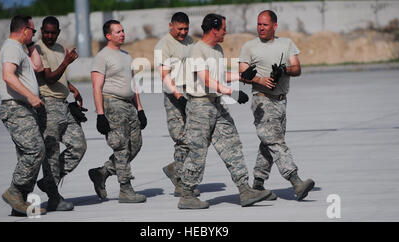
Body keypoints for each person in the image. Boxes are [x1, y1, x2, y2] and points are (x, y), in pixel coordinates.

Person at [178, 13, 271, 209]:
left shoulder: (217, 49)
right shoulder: (197, 51)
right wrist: (232, 93)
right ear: (214, 29)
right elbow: (206, 80)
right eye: (223, 28)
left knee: (232, 144)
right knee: (198, 151)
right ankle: (187, 195)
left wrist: (242, 76)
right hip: (200, 105)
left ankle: (245, 190)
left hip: (216, 103)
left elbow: (219, 76)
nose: (226, 32)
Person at [239, 10, 315, 201]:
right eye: (258, 24)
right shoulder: (249, 46)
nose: (260, 28)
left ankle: (257, 183)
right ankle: (296, 180)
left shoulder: (286, 44)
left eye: (264, 25)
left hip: (281, 100)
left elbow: (297, 68)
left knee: (268, 143)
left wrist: (283, 70)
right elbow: (242, 73)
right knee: (275, 141)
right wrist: (260, 80)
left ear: (274, 26)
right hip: (261, 99)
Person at [88, 20, 147, 203]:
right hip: (113, 104)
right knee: (121, 147)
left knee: (135, 145)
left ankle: (103, 172)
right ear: (108, 36)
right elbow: (96, 87)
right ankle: (125, 189)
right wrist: (100, 114)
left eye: (123, 30)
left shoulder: (126, 56)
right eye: (118, 32)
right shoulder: (102, 57)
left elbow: (133, 84)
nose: (122, 34)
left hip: (129, 105)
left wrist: (140, 108)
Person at [34, 16, 87, 211]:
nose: (49, 35)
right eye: (46, 32)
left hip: (63, 105)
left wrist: (71, 87)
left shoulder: (59, 48)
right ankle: (54, 196)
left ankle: (50, 181)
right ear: (41, 30)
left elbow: (59, 76)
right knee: (52, 153)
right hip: (48, 106)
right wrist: (66, 62)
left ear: (58, 32)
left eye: (53, 32)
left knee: (79, 146)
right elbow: (48, 78)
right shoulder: (38, 49)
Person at [0, 15, 46, 216]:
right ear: (24, 29)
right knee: (35, 149)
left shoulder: (20, 49)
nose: (34, 34)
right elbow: (8, 76)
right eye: (33, 31)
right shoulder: (11, 47)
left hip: (24, 108)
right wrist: (31, 96)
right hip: (15, 107)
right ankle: (15, 191)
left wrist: (32, 44)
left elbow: (38, 68)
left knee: (27, 153)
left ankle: (20, 202)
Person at [154, 12, 200, 197]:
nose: (183, 32)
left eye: (186, 28)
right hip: (175, 97)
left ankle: (176, 169)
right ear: (170, 26)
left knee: (194, 138)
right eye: (179, 29)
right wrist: (177, 95)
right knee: (181, 138)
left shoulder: (190, 42)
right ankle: (180, 182)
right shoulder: (163, 45)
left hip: (191, 94)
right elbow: (164, 74)